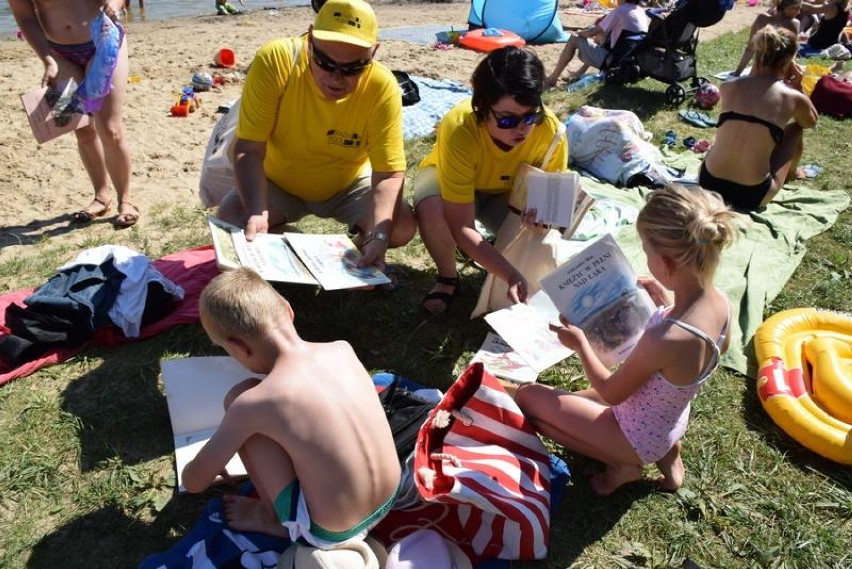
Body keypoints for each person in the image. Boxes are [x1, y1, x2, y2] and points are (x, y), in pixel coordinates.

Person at [516, 185, 737, 495]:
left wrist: (580, 344)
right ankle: (670, 458)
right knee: (571, 400)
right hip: (668, 421)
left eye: (646, 252)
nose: (645, 258)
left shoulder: (666, 338)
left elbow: (611, 393)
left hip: (632, 434)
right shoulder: (721, 304)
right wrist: (662, 306)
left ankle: (622, 467)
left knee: (528, 399)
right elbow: (693, 357)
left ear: (666, 264)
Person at [183, 267, 401, 546]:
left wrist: (205, 461)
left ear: (238, 346)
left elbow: (194, 483)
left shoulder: (253, 404)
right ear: (288, 310)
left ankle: (272, 520)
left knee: (239, 398)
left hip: (332, 531)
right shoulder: (342, 349)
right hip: (391, 496)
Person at [215, 0, 416, 271]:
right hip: (278, 182)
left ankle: (358, 252)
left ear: (374, 52)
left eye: (353, 68)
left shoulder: (382, 86)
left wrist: (378, 236)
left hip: (347, 183)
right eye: (324, 63)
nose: (336, 78)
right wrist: (257, 211)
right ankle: (295, 245)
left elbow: (389, 173)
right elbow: (249, 149)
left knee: (400, 226)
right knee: (230, 218)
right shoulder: (275, 61)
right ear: (309, 40)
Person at [412, 46, 568, 314]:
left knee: (538, 236)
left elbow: (555, 215)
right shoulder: (460, 128)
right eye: (508, 120)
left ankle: (490, 254)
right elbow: (461, 224)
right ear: (482, 106)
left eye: (531, 116)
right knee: (434, 212)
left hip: (506, 192)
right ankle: (448, 276)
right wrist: (510, 274)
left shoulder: (551, 131)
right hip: (447, 179)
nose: (522, 129)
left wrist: (542, 221)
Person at [9, 0, 139, 228]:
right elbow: (26, 18)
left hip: (104, 43)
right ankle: (101, 196)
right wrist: (47, 59)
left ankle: (125, 200)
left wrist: (116, 5)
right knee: (83, 130)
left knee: (110, 130)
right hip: (58, 54)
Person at [700, 25, 818, 211]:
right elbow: (809, 121)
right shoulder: (792, 97)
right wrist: (798, 87)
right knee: (795, 129)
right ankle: (792, 173)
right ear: (788, 60)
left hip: (708, 184)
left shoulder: (728, 86)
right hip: (752, 195)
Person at [544, 0, 649, 88]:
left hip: (613, 62)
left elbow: (592, 32)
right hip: (629, 61)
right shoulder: (640, 12)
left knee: (574, 39)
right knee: (602, 37)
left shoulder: (620, 11)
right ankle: (580, 72)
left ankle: (552, 79)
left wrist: (579, 33)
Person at [730, 0, 802, 77]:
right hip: (778, 71)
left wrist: (737, 72)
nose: (799, 12)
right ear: (787, 8)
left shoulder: (761, 19)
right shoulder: (794, 23)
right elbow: (792, 53)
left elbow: (750, 48)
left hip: (757, 70)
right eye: (797, 8)